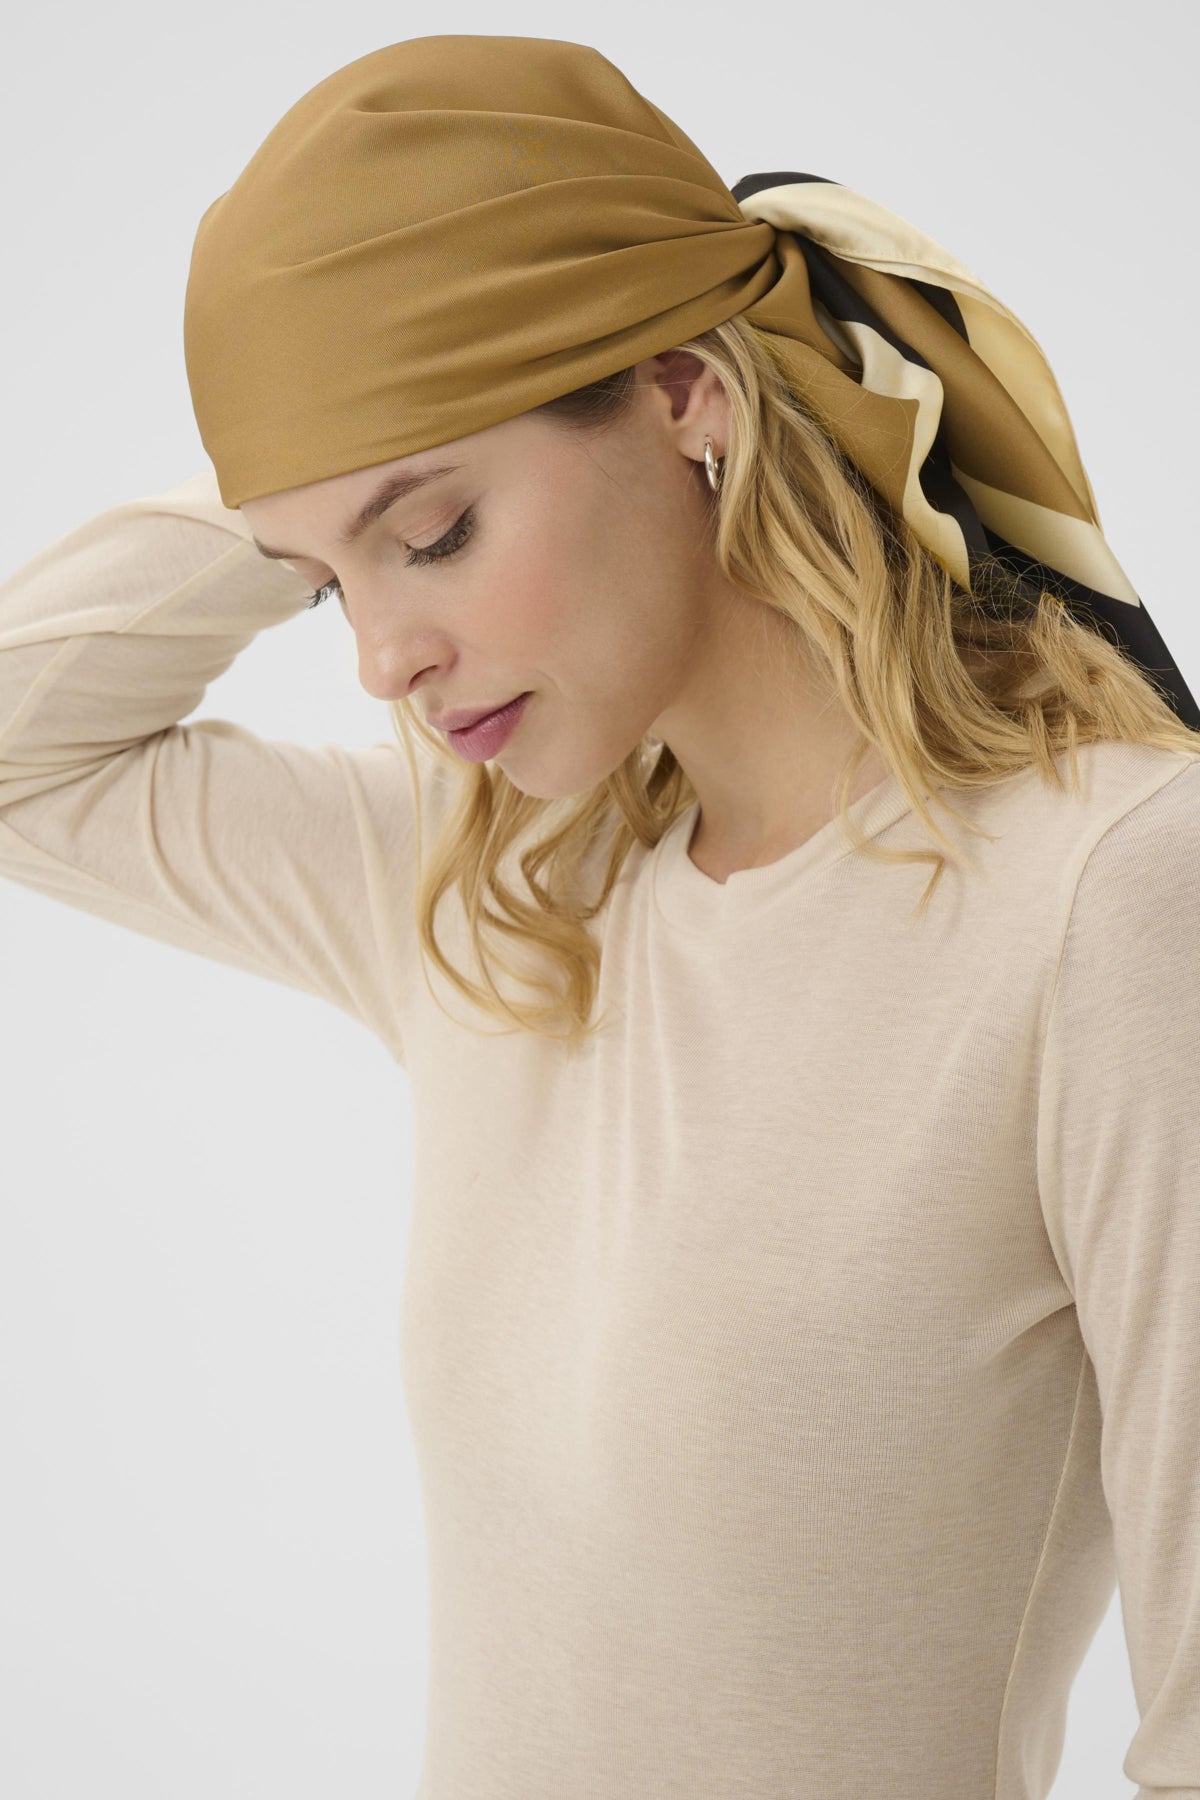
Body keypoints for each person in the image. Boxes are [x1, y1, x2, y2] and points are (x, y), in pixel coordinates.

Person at [3, 33, 1199, 1800]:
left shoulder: (1105, 893)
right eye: (324, 584)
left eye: (434, 533)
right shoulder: (490, 890)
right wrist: (310, 450)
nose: (379, 659)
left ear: (684, 394)